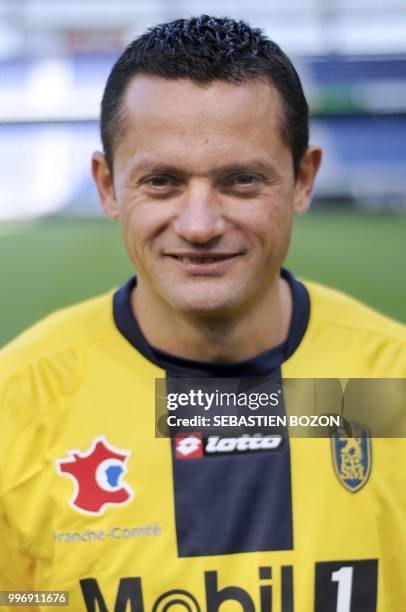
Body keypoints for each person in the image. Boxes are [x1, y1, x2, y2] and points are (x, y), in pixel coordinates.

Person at [0, 15, 405, 612]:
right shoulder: (17, 400)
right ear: (108, 187)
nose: (199, 226)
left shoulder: (390, 382)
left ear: (302, 179)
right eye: (161, 181)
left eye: (241, 181)